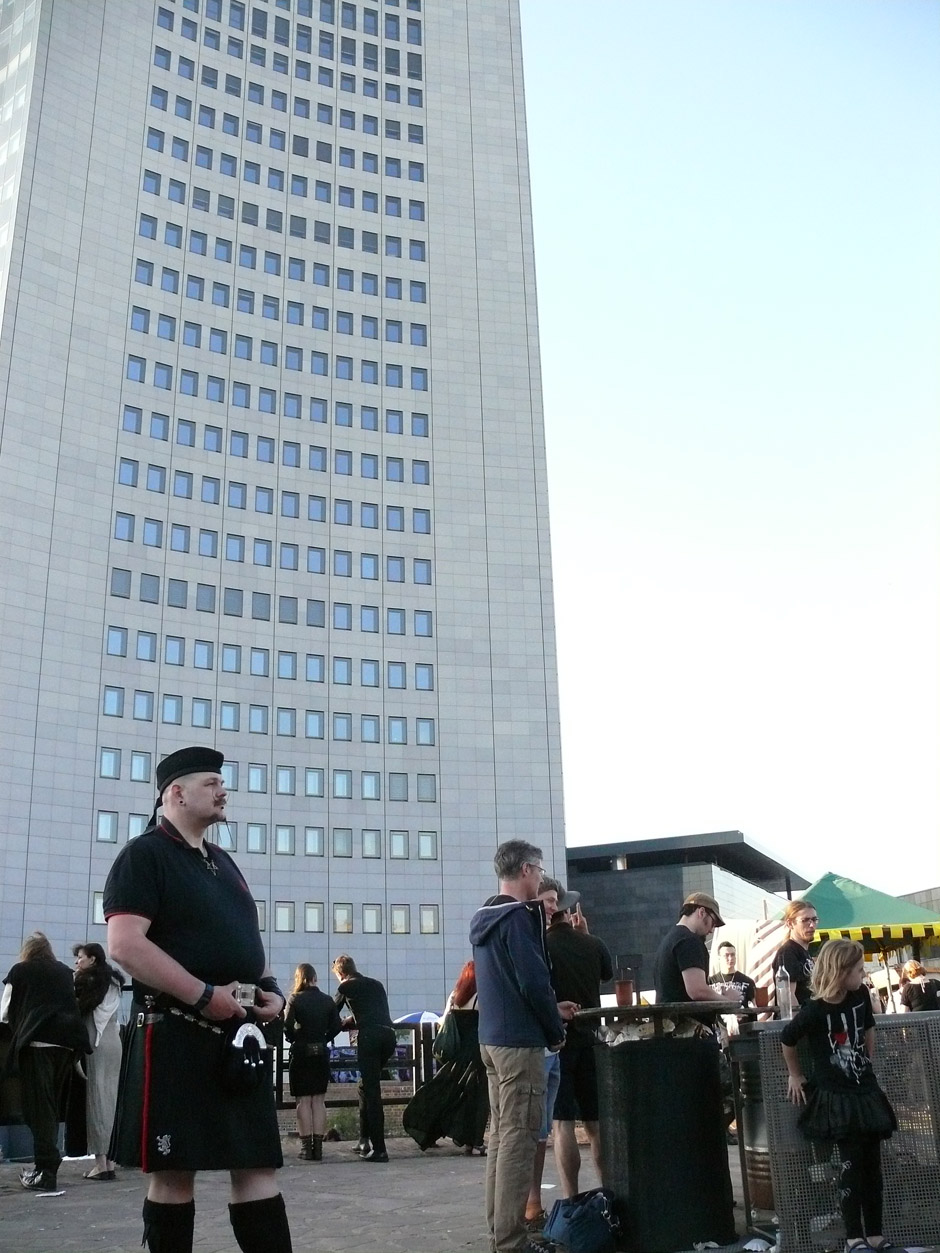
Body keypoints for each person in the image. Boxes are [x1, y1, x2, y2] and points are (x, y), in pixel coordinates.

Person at [104, 745, 292, 1253]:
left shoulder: (223, 862)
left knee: (257, 1164)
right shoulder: (144, 855)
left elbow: (247, 941)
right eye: (212, 783)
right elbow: (125, 945)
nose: (223, 791)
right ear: (177, 793)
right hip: (176, 1033)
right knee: (173, 1173)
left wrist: (272, 990)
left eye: (221, 783)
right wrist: (202, 994)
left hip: (239, 1037)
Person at [469, 840, 576, 1253]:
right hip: (520, 1044)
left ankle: (499, 1232)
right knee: (519, 1140)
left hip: (492, 1040)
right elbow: (532, 981)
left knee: (501, 1138)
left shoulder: (487, 915)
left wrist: (551, 1007)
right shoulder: (518, 917)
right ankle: (511, 1241)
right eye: (540, 870)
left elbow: (508, 982)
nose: (541, 877)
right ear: (528, 869)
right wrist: (553, 1029)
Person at [781, 940, 898, 1253]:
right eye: (859, 970)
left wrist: (867, 1060)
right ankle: (853, 1236)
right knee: (850, 1166)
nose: (863, 974)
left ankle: (875, 1233)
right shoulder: (815, 1009)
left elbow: (869, 1027)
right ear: (841, 972)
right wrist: (795, 1074)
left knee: (873, 1166)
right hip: (837, 1096)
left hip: (865, 1090)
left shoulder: (860, 995)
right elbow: (787, 1038)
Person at [1, 931, 89, 1192]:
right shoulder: (65, 972)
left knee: (38, 1108)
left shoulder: (20, 971)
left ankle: (45, 1171)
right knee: (50, 1106)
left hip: (37, 1042)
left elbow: (4, 1012)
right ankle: (48, 1165)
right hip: (67, 1044)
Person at [543, 879, 612, 1200]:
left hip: (559, 1042)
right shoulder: (593, 944)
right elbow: (606, 974)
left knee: (563, 1125)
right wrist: (586, 934)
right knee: (597, 1125)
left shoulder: (542, 946)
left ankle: (572, 1198)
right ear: (569, 911)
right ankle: (610, 1193)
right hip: (593, 1039)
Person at [402, 959, 489, 1155]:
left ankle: (431, 1129)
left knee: (449, 1092)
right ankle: (474, 1141)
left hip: (457, 1055)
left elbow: (443, 1022)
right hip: (477, 1053)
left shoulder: (455, 996)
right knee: (477, 1097)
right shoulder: (482, 996)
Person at [331, 954, 396, 1163]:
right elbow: (374, 1010)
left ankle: (379, 1149)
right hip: (389, 1036)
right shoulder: (376, 984)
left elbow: (331, 1014)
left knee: (372, 1091)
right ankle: (363, 1140)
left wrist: (342, 1023)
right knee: (365, 1087)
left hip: (370, 1038)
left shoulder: (345, 987)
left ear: (340, 973)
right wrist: (355, 1017)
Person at [73, 942, 125, 1181]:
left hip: (96, 1040)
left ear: (93, 959)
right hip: (114, 1040)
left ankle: (100, 1164)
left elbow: (80, 1010)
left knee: (97, 1100)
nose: (77, 962)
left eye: (81, 957)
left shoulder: (88, 982)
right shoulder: (114, 982)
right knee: (112, 1100)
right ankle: (111, 1161)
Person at [284, 964, 342, 1162]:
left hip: (301, 1052)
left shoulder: (295, 999)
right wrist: (324, 1038)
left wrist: (295, 1038)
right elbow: (337, 1026)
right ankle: (318, 1149)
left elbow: (287, 1025)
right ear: (315, 978)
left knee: (303, 1101)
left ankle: (306, 1149)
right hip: (321, 1051)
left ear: (299, 978)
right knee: (318, 1100)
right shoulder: (327, 1000)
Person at [653, 891, 743, 1015]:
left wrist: (715, 994)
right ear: (701, 912)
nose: (712, 930)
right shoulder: (689, 941)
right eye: (713, 923)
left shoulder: (669, 939)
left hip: (669, 1021)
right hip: (686, 1023)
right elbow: (697, 990)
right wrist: (729, 1002)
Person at [772, 899, 818, 1009]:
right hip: (799, 1017)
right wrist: (798, 1018)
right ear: (790, 923)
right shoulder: (787, 952)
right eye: (805, 920)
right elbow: (786, 995)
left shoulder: (803, 952)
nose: (812, 925)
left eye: (814, 919)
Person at [709, 941, 757, 1008]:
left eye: (732, 955)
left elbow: (756, 1005)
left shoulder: (747, 981)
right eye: (726, 955)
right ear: (719, 958)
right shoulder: (710, 982)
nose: (730, 958)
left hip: (741, 1013)